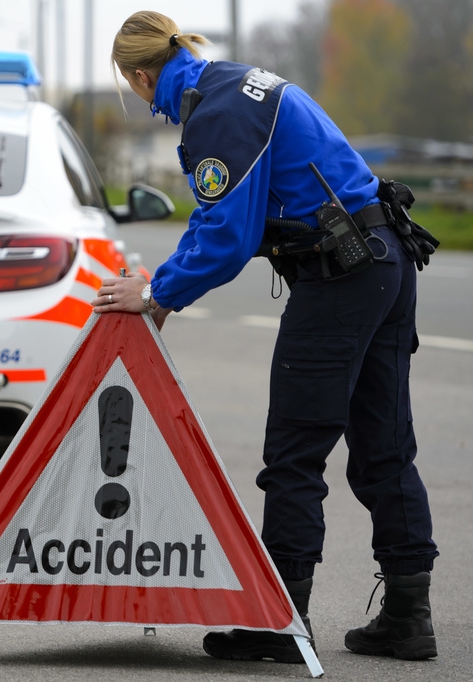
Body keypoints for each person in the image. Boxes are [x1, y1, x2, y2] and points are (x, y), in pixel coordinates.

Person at [95, 10, 438, 663]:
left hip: (340, 274)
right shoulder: (229, 84)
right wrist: (166, 289)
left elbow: (229, 238)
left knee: (293, 454)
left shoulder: (216, 115)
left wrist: (156, 292)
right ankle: (407, 614)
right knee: (383, 447)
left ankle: (279, 621)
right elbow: (217, 214)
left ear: (142, 77)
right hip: (385, 258)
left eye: (133, 89)